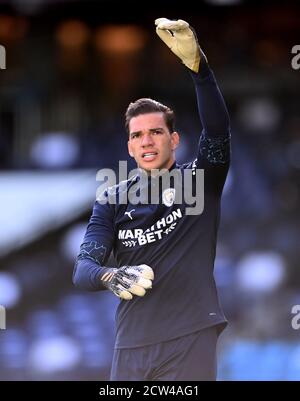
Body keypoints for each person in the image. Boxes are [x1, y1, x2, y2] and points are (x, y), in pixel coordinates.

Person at [73, 17, 231, 381]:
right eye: (138, 135)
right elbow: (83, 270)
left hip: (189, 335)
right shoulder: (111, 198)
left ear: (174, 140)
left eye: (156, 132)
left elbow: (218, 131)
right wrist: (111, 274)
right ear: (129, 146)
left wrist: (200, 72)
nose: (147, 141)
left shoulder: (200, 180)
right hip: (129, 344)